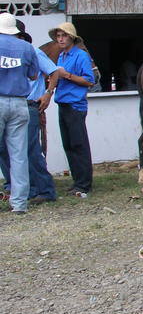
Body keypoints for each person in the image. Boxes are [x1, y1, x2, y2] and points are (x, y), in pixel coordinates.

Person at [0, 21, 58, 205]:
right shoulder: (23, 50)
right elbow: (33, 75)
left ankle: (44, 190)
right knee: (9, 151)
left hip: (30, 104)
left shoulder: (33, 51)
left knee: (30, 150)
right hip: (19, 104)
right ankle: (20, 191)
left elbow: (54, 72)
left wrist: (48, 94)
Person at [0, 13, 40, 214]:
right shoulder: (26, 47)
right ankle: (19, 204)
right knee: (18, 155)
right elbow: (33, 74)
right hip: (19, 103)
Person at [49, 22, 95, 196]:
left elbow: (89, 80)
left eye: (63, 36)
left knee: (78, 144)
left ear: (72, 38)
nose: (60, 39)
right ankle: (78, 181)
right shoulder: (62, 57)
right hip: (63, 103)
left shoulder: (80, 56)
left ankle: (84, 184)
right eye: (58, 36)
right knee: (68, 144)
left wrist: (66, 75)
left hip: (75, 105)